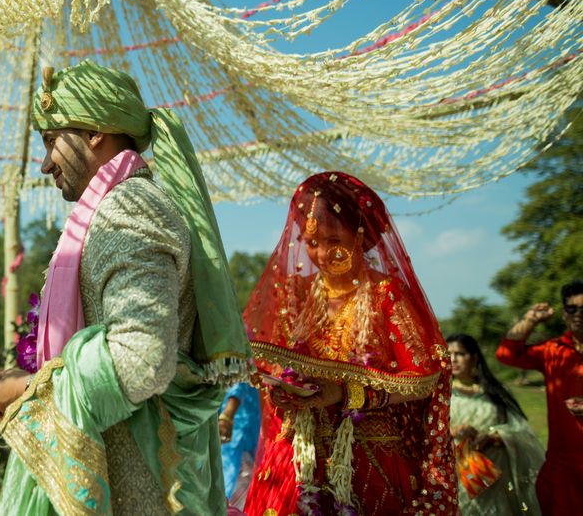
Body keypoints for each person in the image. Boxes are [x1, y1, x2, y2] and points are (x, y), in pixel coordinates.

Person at [0, 60, 252, 515]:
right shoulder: (115, 207)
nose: (45, 164)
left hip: (141, 484)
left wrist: (33, 390)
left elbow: (141, 358)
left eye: (51, 142)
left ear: (95, 133)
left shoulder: (128, 210)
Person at [242, 171, 458, 516]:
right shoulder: (296, 294)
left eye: (333, 240)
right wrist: (281, 390)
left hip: (368, 455)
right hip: (298, 455)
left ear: (361, 235)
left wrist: (349, 395)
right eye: (311, 242)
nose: (322, 254)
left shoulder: (387, 294)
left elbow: (424, 377)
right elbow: (274, 363)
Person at [495, 280, 583, 515]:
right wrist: (531, 319)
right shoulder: (554, 350)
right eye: (572, 309)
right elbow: (506, 353)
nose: (578, 315)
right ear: (564, 314)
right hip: (563, 464)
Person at [447, 333, 543, 514]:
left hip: (493, 474)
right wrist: (451, 431)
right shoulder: (439, 394)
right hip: (454, 474)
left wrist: (494, 437)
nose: (453, 359)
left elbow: (521, 431)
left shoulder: (495, 393)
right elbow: (423, 431)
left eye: (460, 354)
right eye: (448, 354)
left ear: (474, 357)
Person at [218, 382, 261, 508]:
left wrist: (227, 415)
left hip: (238, 429)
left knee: (233, 483)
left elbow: (241, 381)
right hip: (234, 427)